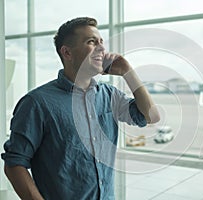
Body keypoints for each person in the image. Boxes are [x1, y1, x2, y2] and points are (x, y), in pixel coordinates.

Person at [1, 17, 160, 200]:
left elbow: (151, 116)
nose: (101, 48)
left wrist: (127, 71)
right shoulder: (36, 103)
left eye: (101, 42)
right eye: (91, 42)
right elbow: (14, 165)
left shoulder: (109, 95)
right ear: (67, 53)